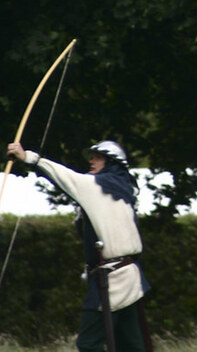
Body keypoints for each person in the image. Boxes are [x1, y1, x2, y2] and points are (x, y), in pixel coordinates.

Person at [7, 140, 151, 352]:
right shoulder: (126, 190)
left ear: (112, 163)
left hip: (112, 280)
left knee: (89, 344)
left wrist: (26, 157)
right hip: (129, 276)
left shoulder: (95, 186)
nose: (91, 161)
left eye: (98, 157)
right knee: (130, 345)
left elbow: (64, 176)